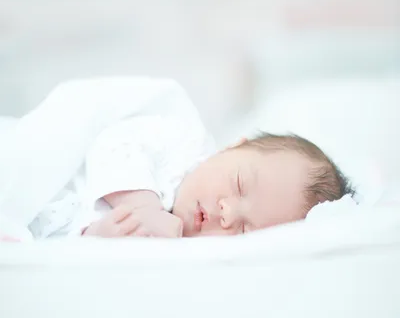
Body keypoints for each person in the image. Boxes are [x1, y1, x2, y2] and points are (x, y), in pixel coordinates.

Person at [0, 78, 353, 240]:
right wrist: (142, 207)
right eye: (239, 184)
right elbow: (114, 141)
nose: (228, 213)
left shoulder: (174, 245)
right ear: (232, 147)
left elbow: (67, 238)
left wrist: (100, 237)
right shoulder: (184, 143)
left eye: (245, 229)